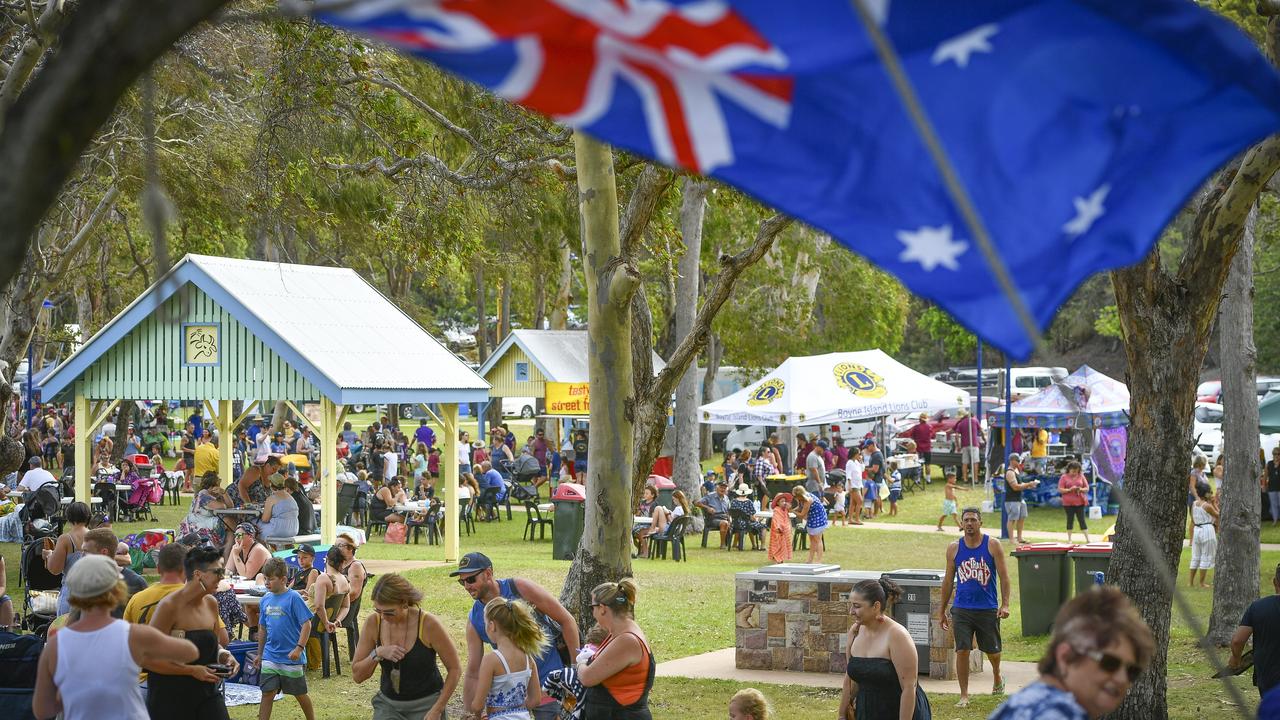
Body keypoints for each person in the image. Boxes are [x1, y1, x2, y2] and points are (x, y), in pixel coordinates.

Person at [33, 555, 200, 720]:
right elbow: (191, 652)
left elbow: (42, 710)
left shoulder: (57, 644)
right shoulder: (133, 635)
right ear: (117, 590)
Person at [989, 587, 1153, 720]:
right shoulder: (1056, 714)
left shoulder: (1023, 704)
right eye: (1109, 663)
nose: (1122, 679)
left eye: (1132, 672)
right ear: (1066, 657)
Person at [456, 552, 579, 719]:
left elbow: (567, 621)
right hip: (515, 696)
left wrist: (574, 671)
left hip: (551, 685)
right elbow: (472, 671)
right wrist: (470, 713)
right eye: (461, 581)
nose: (466, 586)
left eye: (470, 579)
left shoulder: (520, 588)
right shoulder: (474, 620)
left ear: (488, 574)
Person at [147, 543, 237, 720]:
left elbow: (211, 643)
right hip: (171, 697)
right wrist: (191, 670)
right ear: (198, 575)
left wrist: (224, 655)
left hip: (207, 693)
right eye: (218, 572)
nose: (222, 578)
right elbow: (149, 659)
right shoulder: (169, 607)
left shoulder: (211, 603)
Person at [352, 573, 460, 720]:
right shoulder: (373, 623)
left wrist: (437, 709)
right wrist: (378, 652)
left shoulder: (428, 624)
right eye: (378, 611)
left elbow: (455, 669)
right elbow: (358, 676)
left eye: (389, 612)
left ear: (404, 603)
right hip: (389, 705)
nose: (383, 617)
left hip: (427, 703)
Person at [939, 507, 1011, 708]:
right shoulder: (954, 548)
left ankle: (997, 675)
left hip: (987, 608)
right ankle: (964, 695)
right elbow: (947, 581)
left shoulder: (993, 545)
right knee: (962, 650)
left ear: (980, 522)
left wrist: (1005, 604)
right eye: (966, 520)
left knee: (992, 651)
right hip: (962, 608)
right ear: (961, 524)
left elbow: (1005, 578)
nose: (969, 524)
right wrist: (942, 610)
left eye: (973, 520)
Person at [840, 578, 931, 720]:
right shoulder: (855, 632)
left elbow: (909, 687)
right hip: (866, 711)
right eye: (851, 605)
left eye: (857, 606)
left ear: (876, 606)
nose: (851, 611)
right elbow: (850, 680)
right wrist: (841, 715)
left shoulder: (897, 636)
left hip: (899, 710)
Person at [576, 578, 653, 719]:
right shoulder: (620, 632)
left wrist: (580, 661)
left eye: (592, 607)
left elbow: (587, 678)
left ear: (602, 609)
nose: (593, 613)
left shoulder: (627, 640)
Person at [256, 558, 317, 720]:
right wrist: (259, 654)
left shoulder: (293, 598)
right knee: (267, 693)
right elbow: (262, 628)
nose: (267, 582)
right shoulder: (265, 600)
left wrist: (299, 648)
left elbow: (307, 624)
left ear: (283, 579)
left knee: (300, 694)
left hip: (292, 658)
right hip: (270, 656)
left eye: (271, 578)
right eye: (265, 578)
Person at [468, 597, 547, 720]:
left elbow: (478, 705)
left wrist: (475, 713)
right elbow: (535, 700)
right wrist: (517, 711)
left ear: (492, 626)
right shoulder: (528, 658)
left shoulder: (491, 660)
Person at [1231, 562, 1280, 699]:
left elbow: (1237, 641)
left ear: (1275, 581)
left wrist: (1236, 659)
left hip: (1268, 675)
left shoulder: (1258, 607)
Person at [45, 500, 91, 616]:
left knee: (66, 630)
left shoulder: (66, 539)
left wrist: (48, 555)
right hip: (93, 592)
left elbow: (55, 569)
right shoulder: (95, 537)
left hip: (71, 594)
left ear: (69, 517)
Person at [228, 522, 272, 637]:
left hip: (266, 594)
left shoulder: (258, 550)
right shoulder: (237, 549)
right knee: (231, 605)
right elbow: (227, 571)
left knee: (239, 607)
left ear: (250, 536)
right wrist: (235, 554)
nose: (237, 538)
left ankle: (259, 634)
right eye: (235, 535)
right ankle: (256, 634)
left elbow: (246, 575)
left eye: (240, 535)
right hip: (249, 593)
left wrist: (236, 555)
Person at [180, 472, 229, 547]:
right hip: (197, 525)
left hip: (202, 522)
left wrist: (224, 493)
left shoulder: (210, 495)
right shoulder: (203, 495)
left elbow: (230, 505)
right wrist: (221, 496)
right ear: (213, 485)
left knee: (228, 524)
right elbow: (223, 506)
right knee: (228, 522)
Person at [1003, 454, 1039, 544]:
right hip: (1012, 499)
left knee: (1022, 517)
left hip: (1019, 498)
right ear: (1012, 461)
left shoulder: (1016, 471)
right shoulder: (1010, 472)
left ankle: (1019, 538)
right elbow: (1015, 487)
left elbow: (1020, 483)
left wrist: (1029, 485)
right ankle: (1011, 539)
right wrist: (1028, 484)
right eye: (1017, 461)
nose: (1019, 462)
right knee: (1012, 519)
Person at [1189, 481, 1219, 588]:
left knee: (1196, 556)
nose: (1211, 494)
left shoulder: (1194, 504)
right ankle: (1202, 583)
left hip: (1197, 529)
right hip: (1207, 530)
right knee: (1206, 556)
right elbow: (1218, 515)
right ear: (1206, 494)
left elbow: (1192, 519)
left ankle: (1191, 582)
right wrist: (1214, 504)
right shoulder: (1207, 506)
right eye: (1210, 492)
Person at [257, 472, 300, 539]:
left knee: (254, 527)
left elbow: (265, 520)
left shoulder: (271, 498)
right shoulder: (291, 497)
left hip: (279, 530)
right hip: (294, 529)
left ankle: (261, 549)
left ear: (272, 484)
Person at [792, 485, 828, 563]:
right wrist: (791, 510)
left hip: (819, 517)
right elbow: (800, 507)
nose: (794, 498)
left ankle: (819, 560)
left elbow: (802, 515)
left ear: (799, 495)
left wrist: (792, 511)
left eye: (795, 496)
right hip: (812, 517)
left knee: (817, 539)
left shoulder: (808, 500)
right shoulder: (802, 498)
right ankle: (810, 560)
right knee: (812, 540)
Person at [1057, 461, 1091, 543]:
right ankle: (1069, 539)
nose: (1074, 473)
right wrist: (1069, 490)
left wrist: (1080, 489)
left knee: (1082, 519)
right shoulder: (1064, 477)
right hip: (1068, 503)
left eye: (1076, 471)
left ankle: (1087, 539)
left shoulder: (1081, 476)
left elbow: (1087, 488)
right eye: (1073, 471)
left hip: (1080, 501)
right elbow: (1060, 489)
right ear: (1069, 469)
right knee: (1070, 519)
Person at [728, 482, 765, 550]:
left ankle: (753, 545)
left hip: (735, 524)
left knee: (749, 523)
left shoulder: (733, 501)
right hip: (747, 524)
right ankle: (762, 546)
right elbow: (753, 517)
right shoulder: (749, 502)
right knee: (762, 526)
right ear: (747, 493)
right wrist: (757, 520)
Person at [696, 480, 732, 548]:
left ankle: (735, 545)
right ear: (716, 488)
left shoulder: (726, 498)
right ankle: (723, 544)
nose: (723, 489)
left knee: (737, 523)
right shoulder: (710, 496)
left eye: (724, 488)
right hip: (712, 518)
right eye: (721, 487)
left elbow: (728, 511)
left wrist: (730, 519)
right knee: (724, 523)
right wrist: (707, 508)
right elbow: (697, 503)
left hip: (724, 518)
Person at [954, 410, 983, 484]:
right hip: (974, 444)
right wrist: (984, 439)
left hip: (964, 445)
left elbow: (956, 435)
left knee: (965, 463)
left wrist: (958, 446)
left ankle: (965, 479)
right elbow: (981, 430)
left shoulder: (961, 423)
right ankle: (975, 479)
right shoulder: (974, 420)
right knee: (975, 462)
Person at [904, 412, 934, 481]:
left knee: (918, 464)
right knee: (927, 464)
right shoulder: (929, 427)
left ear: (920, 419)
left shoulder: (916, 427)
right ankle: (928, 479)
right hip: (927, 448)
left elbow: (911, 436)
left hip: (918, 448)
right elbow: (932, 436)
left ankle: (918, 479)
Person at [846, 448, 865, 524]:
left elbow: (862, 469)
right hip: (853, 485)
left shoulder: (856, 462)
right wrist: (850, 485)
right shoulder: (849, 463)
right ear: (855, 454)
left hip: (858, 484)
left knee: (853, 503)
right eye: (858, 454)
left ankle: (850, 519)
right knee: (860, 501)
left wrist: (861, 461)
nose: (859, 455)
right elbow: (848, 474)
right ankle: (857, 519)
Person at [1263, 447, 1280, 526]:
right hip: (1272, 487)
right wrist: (1264, 486)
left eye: (1278, 454)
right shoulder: (1269, 464)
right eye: (1275, 454)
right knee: (1273, 504)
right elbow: (1265, 476)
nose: (1276, 456)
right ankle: (1275, 520)